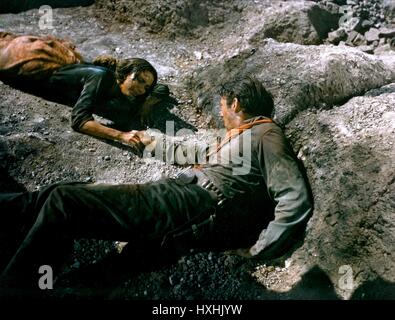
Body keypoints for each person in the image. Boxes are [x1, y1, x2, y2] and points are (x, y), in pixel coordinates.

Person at [0, 76, 313, 291]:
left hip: (196, 202)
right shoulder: (242, 138)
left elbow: (293, 196)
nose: (221, 114)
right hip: (185, 196)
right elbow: (194, 150)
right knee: (59, 195)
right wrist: (150, 142)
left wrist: (260, 248)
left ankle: (15, 289)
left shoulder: (268, 135)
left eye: (222, 107)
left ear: (235, 103)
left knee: (66, 202)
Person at [0, 32, 176, 147]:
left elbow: (162, 89)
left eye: (146, 86)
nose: (141, 89)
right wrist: (122, 136)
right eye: (138, 80)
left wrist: (147, 104)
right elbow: (79, 121)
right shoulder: (101, 78)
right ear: (123, 75)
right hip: (37, 65)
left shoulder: (129, 91)